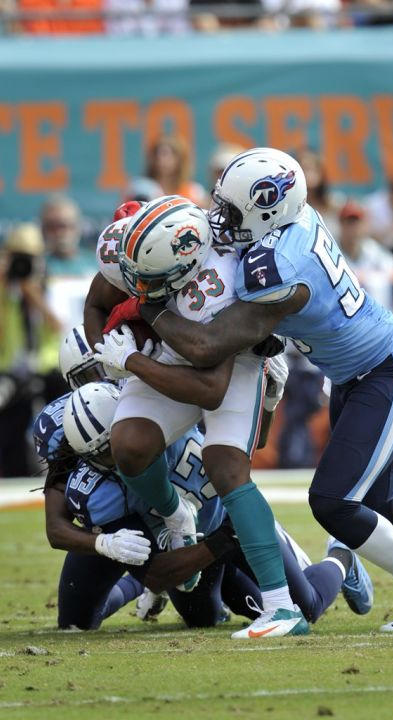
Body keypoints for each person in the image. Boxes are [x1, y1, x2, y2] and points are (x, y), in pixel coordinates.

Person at [137, 148, 393, 631]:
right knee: (381, 501)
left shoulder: (276, 264)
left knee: (334, 503)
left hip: (386, 367)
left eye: (234, 210)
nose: (223, 219)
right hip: (355, 372)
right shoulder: (291, 222)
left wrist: (149, 306)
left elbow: (207, 346)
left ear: (268, 208)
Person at [88, 197, 352, 639]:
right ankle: (176, 517)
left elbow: (209, 384)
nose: (134, 286)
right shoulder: (145, 245)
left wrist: (133, 357)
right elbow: (97, 303)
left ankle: (281, 606)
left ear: (184, 267)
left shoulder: (228, 280)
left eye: (147, 281)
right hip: (170, 351)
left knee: (226, 467)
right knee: (130, 446)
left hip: (234, 358)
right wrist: (105, 353)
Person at [40, 382, 373, 630]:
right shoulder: (99, 488)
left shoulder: (168, 408)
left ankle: (341, 558)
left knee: (308, 607)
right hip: (196, 543)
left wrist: (268, 402)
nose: (110, 459)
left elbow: (250, 440)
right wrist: (106, 543)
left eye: (110, 447)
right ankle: (145, 585)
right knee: (204, 619)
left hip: (229, 514)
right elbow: (156, 572)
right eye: (98, 455)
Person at [0, 223, 66, 477]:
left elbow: (58, 324)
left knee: (60, 434)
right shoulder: (4, 293)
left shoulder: (51, 287)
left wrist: (33, 292)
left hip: (48, 368)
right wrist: (0, 283)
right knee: (8, 437)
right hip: (13, 371)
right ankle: (14, 478)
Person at [337, 199, 393, 308]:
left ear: (365, 225)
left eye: (357, 223)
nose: (354, 228)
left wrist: (368, 278)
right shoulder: (332, 250)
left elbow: (392, 270)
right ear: (341, 225)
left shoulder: (374, 250)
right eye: (349, 223)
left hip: (374, 312)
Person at [39, 196, 97, 277]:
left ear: (78, 226)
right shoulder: (36, 266)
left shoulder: (98, 264)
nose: (59, 233)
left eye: (64, 225)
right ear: (43, 229)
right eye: (51, 227)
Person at [144, 135, 207, 207]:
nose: (161, 160)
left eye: (166, 154)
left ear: (179, 159)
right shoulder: (143, 190)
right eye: (157, 154)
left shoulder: (194, 192)